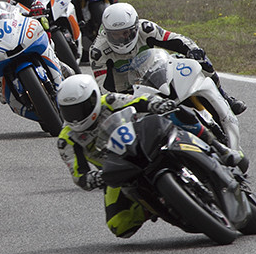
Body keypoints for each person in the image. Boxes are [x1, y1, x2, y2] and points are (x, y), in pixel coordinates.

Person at [54, 73, 245, 239]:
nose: (76, 117)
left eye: (80, 109)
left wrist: (158, 104)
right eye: (68, 111)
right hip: (119, 168)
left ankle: (220, 148)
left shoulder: (109, 101)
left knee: (176, 113)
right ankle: (153, 205)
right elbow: (79, 174)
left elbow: (138, 100)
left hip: (144, 139)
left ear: (94, 98)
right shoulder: (66, 139)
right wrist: (93, 179)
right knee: (119, 225)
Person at [91, 2, 246, 116]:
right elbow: (104, 90)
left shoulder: (146, 29)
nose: (122, 39)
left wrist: (192, 50)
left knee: (201, 59)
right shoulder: (98, 51)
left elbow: (176, 39)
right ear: (106, 32)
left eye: (126, 33)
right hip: (128, 92)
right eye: (115, 35)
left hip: (155, 73)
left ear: (135, 27)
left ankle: (225, 97)